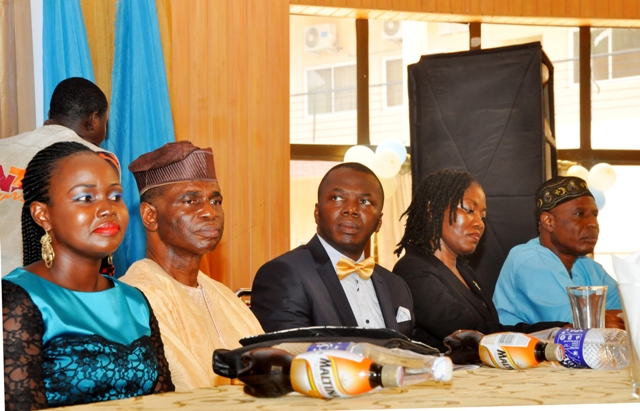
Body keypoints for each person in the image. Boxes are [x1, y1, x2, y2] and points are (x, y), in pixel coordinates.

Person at [2, 142, 173, 410]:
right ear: (42, 214)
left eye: (115, 196)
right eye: (86, 198)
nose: (107, 209)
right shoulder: (16, 300)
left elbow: (166, 403)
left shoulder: (135, 301)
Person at [120, 141, 263, 391]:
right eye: (191, 201)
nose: (210, 212)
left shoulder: (224, 296)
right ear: (150, 216)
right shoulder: (135, 299)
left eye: (216, 201)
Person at [392, 169, 567, 352]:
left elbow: (490, 327)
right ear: (432, 211)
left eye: (482, 216)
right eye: (469, 210)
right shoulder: (412, 271)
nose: (479, 223)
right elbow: (472, 334)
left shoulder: (464, 271)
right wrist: (553, 333)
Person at [251, 162, 414, 336]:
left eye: (365, 201)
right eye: (337, 198)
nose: (351, 209)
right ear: (316, 213)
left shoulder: (396, 286)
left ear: (379, 222)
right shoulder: (282, 275)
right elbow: (294, 354)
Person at [0, 77, 119, 276]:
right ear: (93, 120)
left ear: (50, 115)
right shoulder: (95, 158)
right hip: (47, 290)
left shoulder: (3, 147)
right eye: (105, 123)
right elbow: (98, 236)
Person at [493, 175, 623, 327]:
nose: (593, 224)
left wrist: (608, 319)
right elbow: (579, 324)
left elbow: (631, 312)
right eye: (579, 214)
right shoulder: (527, 260)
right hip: (516, 351)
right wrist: (604, 318)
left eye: (594, 215)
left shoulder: (589, 267)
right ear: (548, 221)